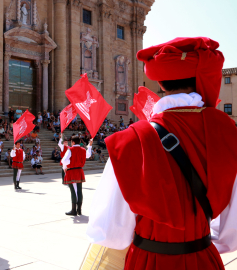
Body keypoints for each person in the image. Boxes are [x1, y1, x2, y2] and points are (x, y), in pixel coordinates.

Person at [86, 37, 237, 270]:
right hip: (203, 258)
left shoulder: (130, 139)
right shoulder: (229, 133)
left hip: (149, 261)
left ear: (162, 84)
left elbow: (108, 232)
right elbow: (232, 230)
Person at [61, 136, 92, 216]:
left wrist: (65, 167)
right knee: (79, 190)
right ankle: (79, 210)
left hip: (72, 171)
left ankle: (74, 210)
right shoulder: (83, 149)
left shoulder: (70, 149)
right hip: (80, 170)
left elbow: (63, 160)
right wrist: (90, 146)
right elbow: (88, 155)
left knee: (73, 191)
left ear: (73, 142)